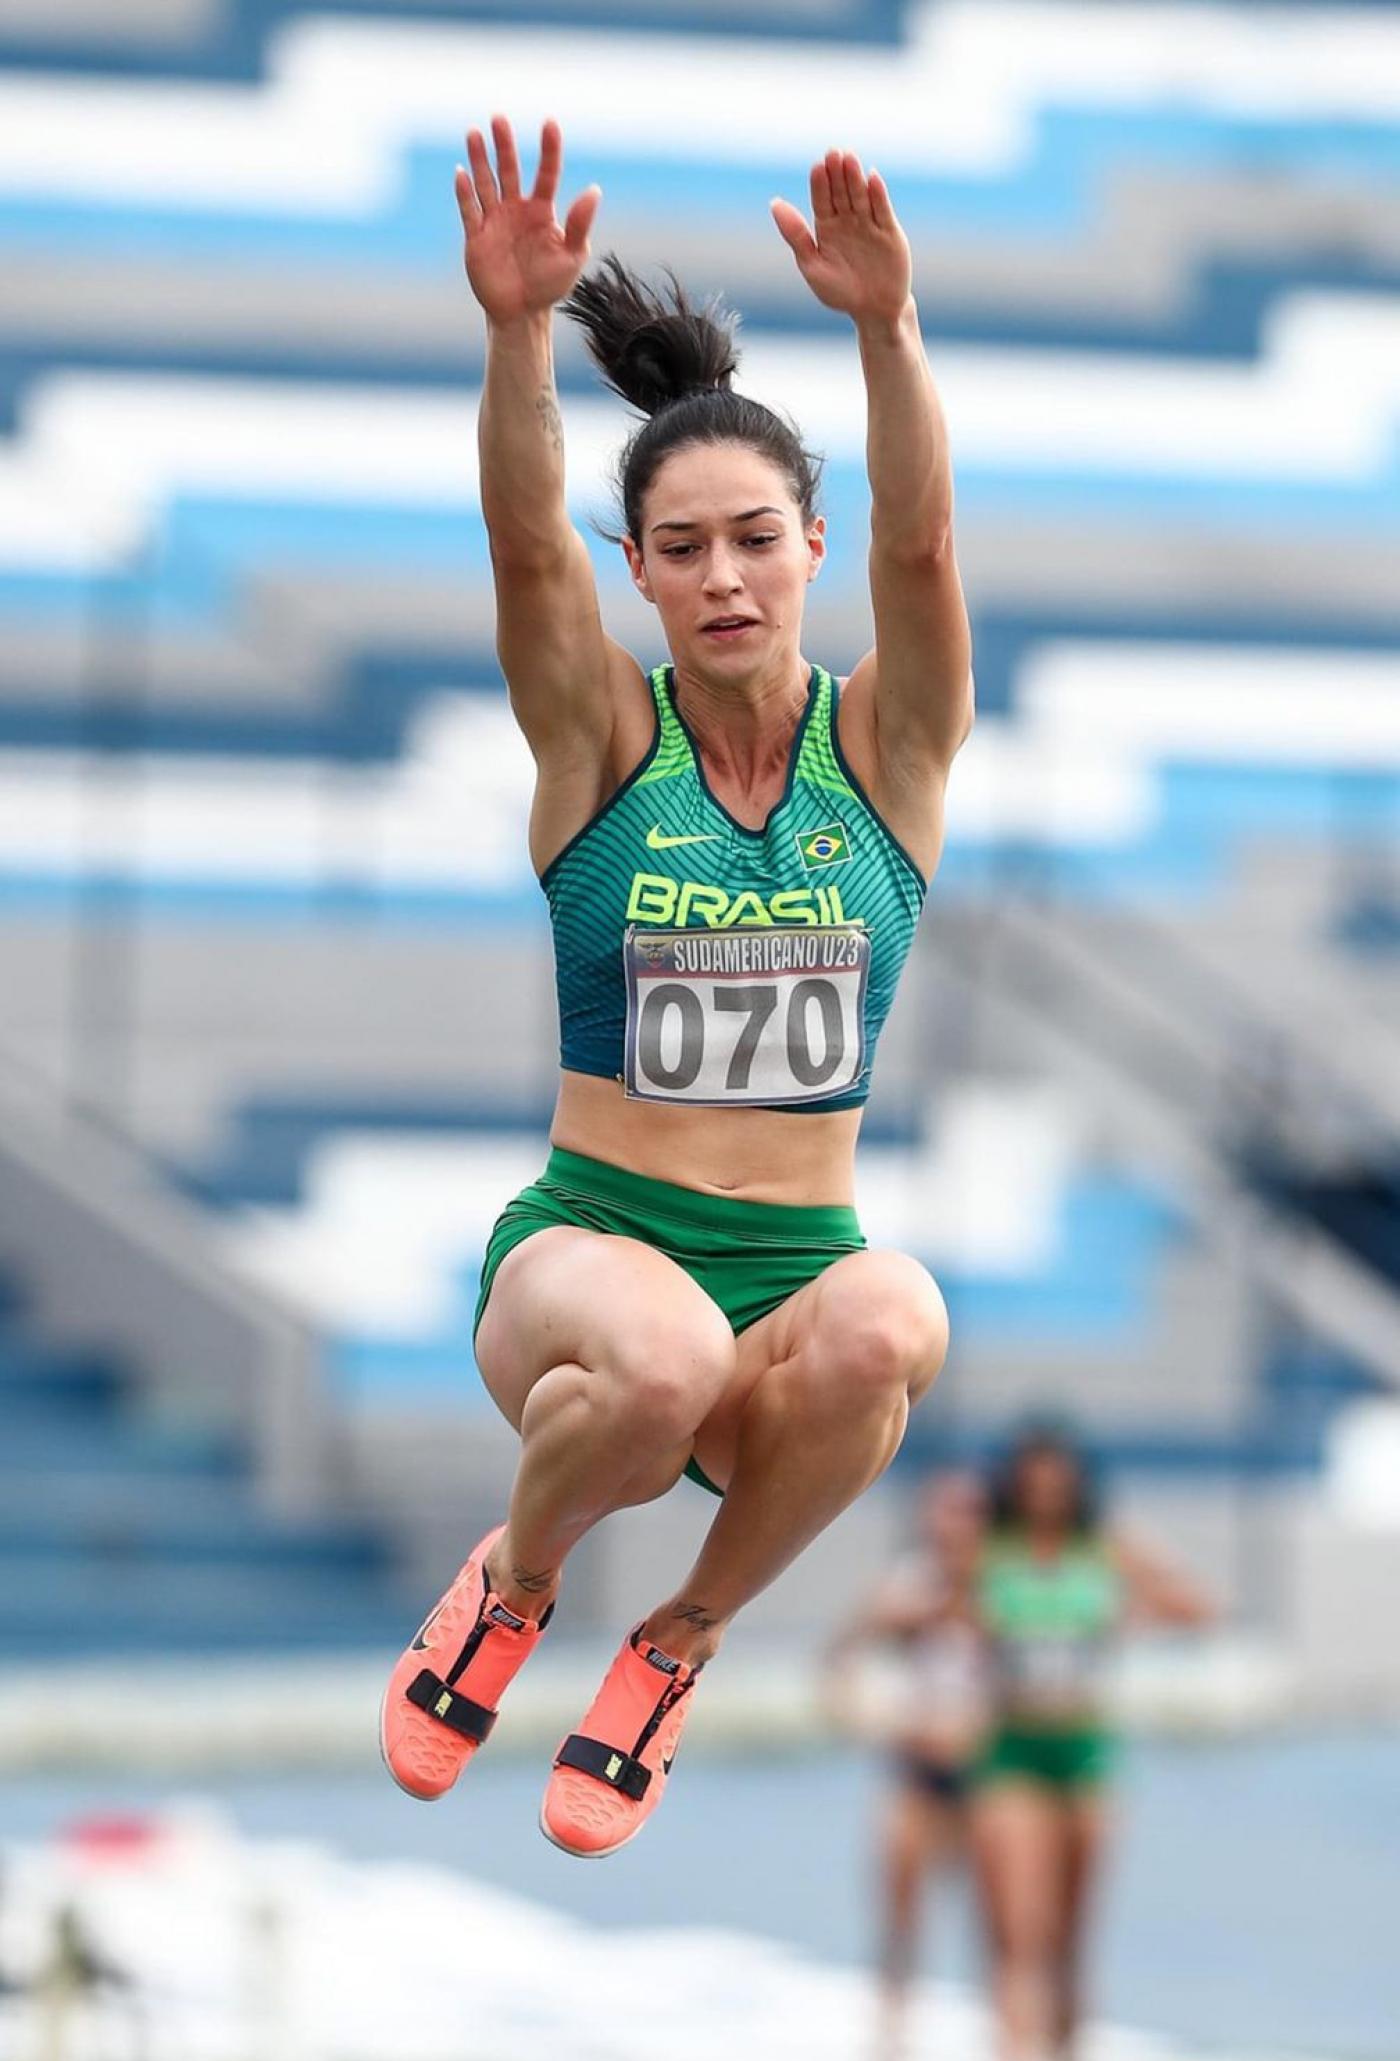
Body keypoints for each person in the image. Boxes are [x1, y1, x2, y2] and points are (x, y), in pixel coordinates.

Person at [379, 115, 973, 1859]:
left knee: (899, 1316)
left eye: (758, 539)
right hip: (589, 1259)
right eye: (685, 547)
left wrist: (889, 329)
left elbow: (928, 554)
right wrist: (511, 332)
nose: (724, 576)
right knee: (658, 1355)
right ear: (639, 571)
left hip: (791, 1281)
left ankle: (680, 1636)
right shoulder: (601, 741)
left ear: (808, 550)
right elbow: (517, 557)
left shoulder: (890, 754)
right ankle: (515, 1581)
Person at [969, 1424, 1214, 2061]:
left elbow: (1197, 1604)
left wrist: (1135, 1607)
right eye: (1033, 1480)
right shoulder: (990, 1553)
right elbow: (934, 1625)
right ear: (1015, 1484)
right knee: (1017, 1927)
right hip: (1011, 1752)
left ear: (1076, 1485)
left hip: (1085, 1755)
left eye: (1058, 1481)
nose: (1045, 1494)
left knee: (1071, 1931)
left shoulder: (1104, 1549)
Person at [823, 1469, 991, 2061]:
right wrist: (884, 1723)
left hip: (991, 1775)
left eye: (969, 1513)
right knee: (899, 1911)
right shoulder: (909, 1588)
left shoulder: (1008, 1589)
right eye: (947, 1513)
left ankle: (1005, 2035)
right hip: (918, 1771)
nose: (957, 1527)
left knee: (1005, 1916)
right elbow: (841, 1659)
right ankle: (892, 2038)